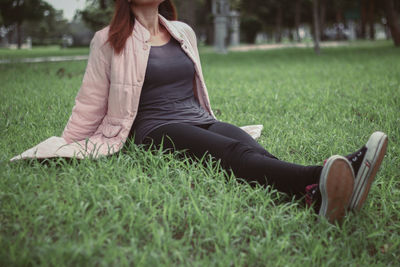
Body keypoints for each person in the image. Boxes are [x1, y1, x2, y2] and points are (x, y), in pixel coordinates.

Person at [52, 0, 391, 224]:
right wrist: (66, 144)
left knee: (251, 149)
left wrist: (208, 119)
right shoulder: (108, 39)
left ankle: (316, 197)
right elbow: (89, 103)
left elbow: (193, 86)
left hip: (198, 117)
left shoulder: (182, 31)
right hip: (155, 129)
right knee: (232, 153)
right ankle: (321, 177)